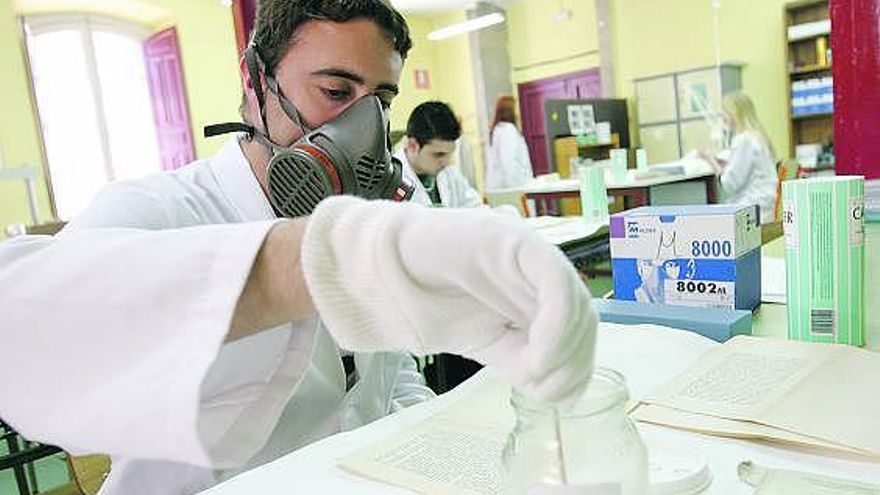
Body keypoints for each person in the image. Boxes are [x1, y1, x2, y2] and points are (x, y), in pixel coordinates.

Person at [0, 2, 597, 495]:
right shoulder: (160, 209)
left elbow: (382, 383)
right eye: (336, 91)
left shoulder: (381, 207)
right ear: (257, 82)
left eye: (380, 103)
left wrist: (434, 439)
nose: (361, 127)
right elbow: (17, 330)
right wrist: (314, 267)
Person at [702, 92, 778, 224]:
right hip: (764, 206)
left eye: (725, 113)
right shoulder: (756, 136)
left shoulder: (744, 140)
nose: (723, 118)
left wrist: (711, 161)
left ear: (734, 114)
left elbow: (729, 184)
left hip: (752, 210)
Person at [395, 101, 481, 208]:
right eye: (439, 155)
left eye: (449, 154)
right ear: (412, 146)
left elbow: (474, 207)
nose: (446, 163)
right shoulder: (390, 180)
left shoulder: (449, 174)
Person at [486, 95, 534, 191]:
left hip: (501, 187)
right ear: (509, 111)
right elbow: (508, 164)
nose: (519, 113)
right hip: (513, 188)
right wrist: (515, 191)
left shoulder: (497, 130)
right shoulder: (508, 130)